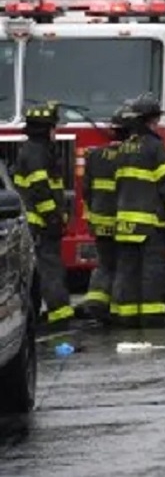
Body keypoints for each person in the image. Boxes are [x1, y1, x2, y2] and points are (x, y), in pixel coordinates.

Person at [112, 93, 165, 327]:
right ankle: (152, 318)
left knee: (128, 272)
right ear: (152, 120)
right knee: (152, 272)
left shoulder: (124, 149)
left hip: (125, 225)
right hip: (150, 225)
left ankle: (128, 318)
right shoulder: (155, 147)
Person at [15, 102, 74, 329]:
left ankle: (41, 314)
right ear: (45, 129)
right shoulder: (37, 153)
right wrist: (52, 217)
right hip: (39, 223)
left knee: (40, 269)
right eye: (53, 127)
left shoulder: (36, 150)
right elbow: (40, 189)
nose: (55, 132)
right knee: (50, 268)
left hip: (36, 222)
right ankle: (60, 315)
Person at [78, 101, 138, 322]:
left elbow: (86, 190)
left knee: (104, 263)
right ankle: (118, 309)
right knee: (123, 265)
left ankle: (96, 301)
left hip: (100, 221)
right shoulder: (132, 156)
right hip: (123, 221)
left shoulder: (95, 155)